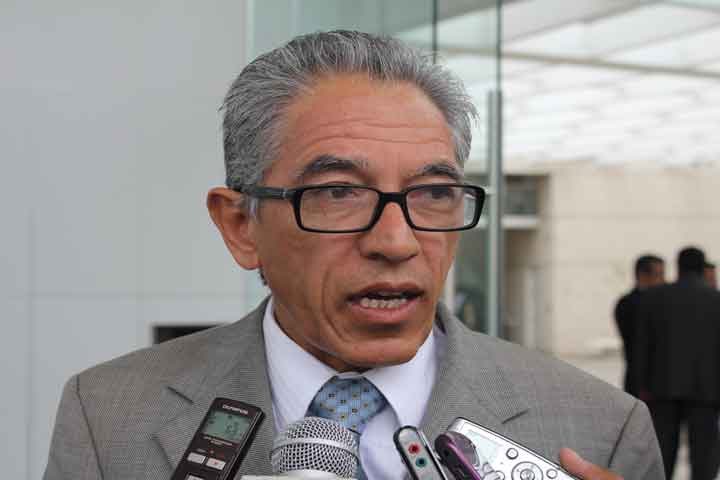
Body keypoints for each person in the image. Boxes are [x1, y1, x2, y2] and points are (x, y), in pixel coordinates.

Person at [43, 30, 663, 479]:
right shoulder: (107, 417)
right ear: (240, 226)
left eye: (433, 193)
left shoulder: (602, 429)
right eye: (338, 192)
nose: (396, 242)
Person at [634, 246, 720, 480]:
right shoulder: (716, 300)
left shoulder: (654, 298)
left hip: (662, 389)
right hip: (707, 392)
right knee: (704, 454)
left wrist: (641, 385)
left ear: (678, 267)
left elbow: (642, 346)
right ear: (702, 268)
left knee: (663, 451)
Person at [613, 254, 665, 396]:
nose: (663, 281)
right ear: (643, 275)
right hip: (640, 382)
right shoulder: (628, 304)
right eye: (659, 275)